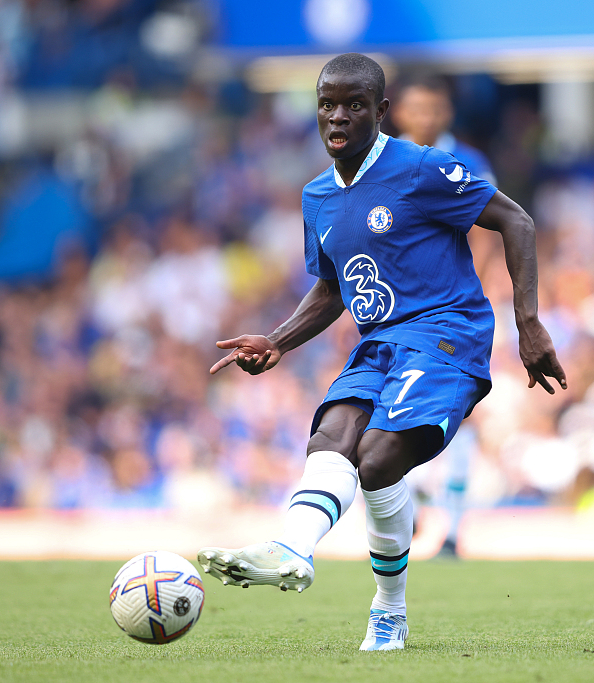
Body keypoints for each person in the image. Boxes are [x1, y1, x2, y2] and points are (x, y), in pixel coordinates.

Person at [198, 53, 566, 652]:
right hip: (381, 342)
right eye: (327, 104)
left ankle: (386, 607)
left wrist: (528, 323)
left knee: (376, 458)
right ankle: (292, 548)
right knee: (331, 436)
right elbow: (329, 290)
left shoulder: (421, 168)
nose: (337, 116)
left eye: (354, 105)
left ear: (381, 112)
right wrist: (277, 340)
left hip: (448, 334)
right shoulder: (316, 196)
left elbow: (516, 221)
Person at [392, 76, 496, 558]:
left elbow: (493, 231)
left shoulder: (468, 164)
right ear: (398, 112)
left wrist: (484, 291)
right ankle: (410, 498)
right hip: (398, 311)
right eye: (418, 108)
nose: (427, 118)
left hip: (454, 310)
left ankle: (452, 529)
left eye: (435, 108)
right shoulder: (383, 164)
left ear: (447, 113)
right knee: (393, 409)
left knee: (458, 413)